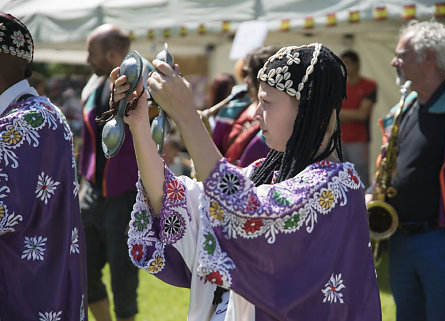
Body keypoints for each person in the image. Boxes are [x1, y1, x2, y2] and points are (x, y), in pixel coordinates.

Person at [112, 42, 381, 320]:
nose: (255, 114)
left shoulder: (338, 186)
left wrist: (186, 114)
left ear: (305, 109)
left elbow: (248, 215)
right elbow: (176, 202)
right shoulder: (265, 173)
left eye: (265, 102)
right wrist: (140, 124)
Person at [369, 20, 445, 321]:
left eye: (401, 54)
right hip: (401, 237)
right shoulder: (403, 108)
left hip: (443, 240)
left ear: (428, 57)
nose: (395, 62)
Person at [0, 12, 87, 320]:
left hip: (23, 296)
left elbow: (5, 212)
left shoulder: (22, 124)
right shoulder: (42, 112)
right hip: (42, 289)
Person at [79, 24, 153, 321]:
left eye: (91, 53)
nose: (87, 60)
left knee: (123, 279)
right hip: (91, 192)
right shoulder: (94, 84)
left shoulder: (144, 79)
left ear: (112, 54)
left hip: (126, 195)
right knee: (83, 270)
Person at [212, 46, 278, 167]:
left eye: (247, 74)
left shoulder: (278, 121)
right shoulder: (238, 108)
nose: (245, 80)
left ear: (261, 77)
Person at [339, 50, 377, 185]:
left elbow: (362, 114)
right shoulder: (339, 86)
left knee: (360, 178)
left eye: (347, 63)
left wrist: (340, 114)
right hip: (339, 139)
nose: (343, 66)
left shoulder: (369, 85)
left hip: (359, 140)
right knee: (341, 177)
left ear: (357, 64)